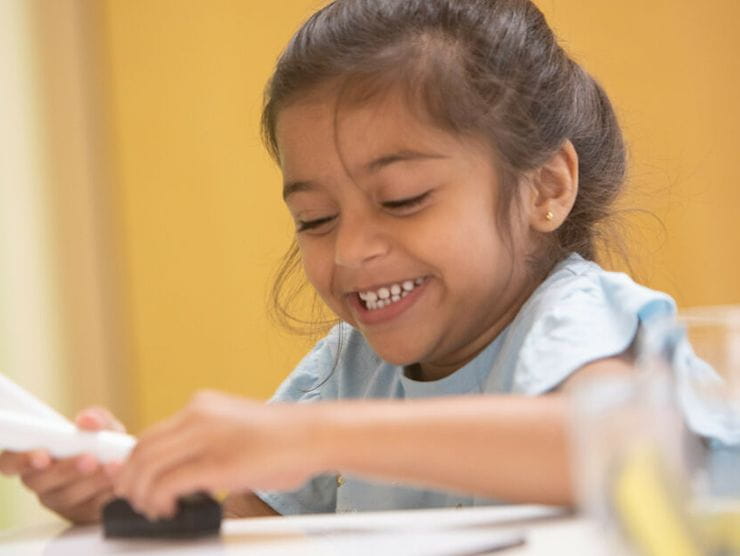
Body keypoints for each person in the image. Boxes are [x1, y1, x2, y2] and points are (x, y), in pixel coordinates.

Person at [0, 0, 716, 524]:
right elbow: (248, 532)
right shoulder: (347, 371)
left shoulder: (579, 317)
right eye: (315, 219)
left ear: (547, 188)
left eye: (402, 199)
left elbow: (605, 449)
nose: (350, 251)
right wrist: (128, 503)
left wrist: (303, 435)